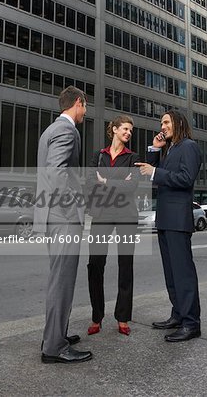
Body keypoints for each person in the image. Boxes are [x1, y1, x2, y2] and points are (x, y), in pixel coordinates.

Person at [33, 86, 92, 363]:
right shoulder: (67, 131)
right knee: (62, 282)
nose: (85, 113)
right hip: (63, 219)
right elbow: (57, 174)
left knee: (59, 280)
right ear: (78, 103)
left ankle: (55, 335)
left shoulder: (49, 130)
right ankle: (54, 347)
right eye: (85, 107)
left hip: (50, 216)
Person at [135, 110, 202, 342]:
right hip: (165, 218)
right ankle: (178, 314)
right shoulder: (170, 148)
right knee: (171, 273)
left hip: (178, 219)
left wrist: (155, 171)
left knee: (183, 273)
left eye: (165, 122)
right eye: (161, 122)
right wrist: (154, 150)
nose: (162, 126)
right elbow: (151, 177)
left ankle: (191, 323)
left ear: (178, 123)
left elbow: (185, 179)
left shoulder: (189, 146)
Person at [86, 115, 140, 336]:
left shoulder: (133, 157)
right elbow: (90, 183)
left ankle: (123, 318)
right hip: (101, 214)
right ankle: (97, 316)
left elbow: (132, 186)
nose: (128, 133)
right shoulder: (99, 156)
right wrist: (118, 184)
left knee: (125, 265)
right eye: (125, 129)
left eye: (131, 130)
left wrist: (106, 182)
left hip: (126, 215)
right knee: (95, 264)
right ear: (115, 129)